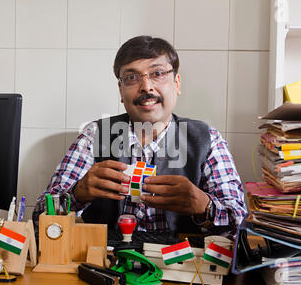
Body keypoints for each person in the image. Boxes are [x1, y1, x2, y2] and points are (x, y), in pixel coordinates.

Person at [33, 35, 246, 240]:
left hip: (184, 266)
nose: (146, 87)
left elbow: (240, 225)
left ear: (177, 84)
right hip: (106, 264)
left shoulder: (207, 140)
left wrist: (205, 206)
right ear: (121, 90)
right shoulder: (95, 136)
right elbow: (38, 217)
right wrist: (77, 194)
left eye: (158, 73)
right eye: (131, 77)